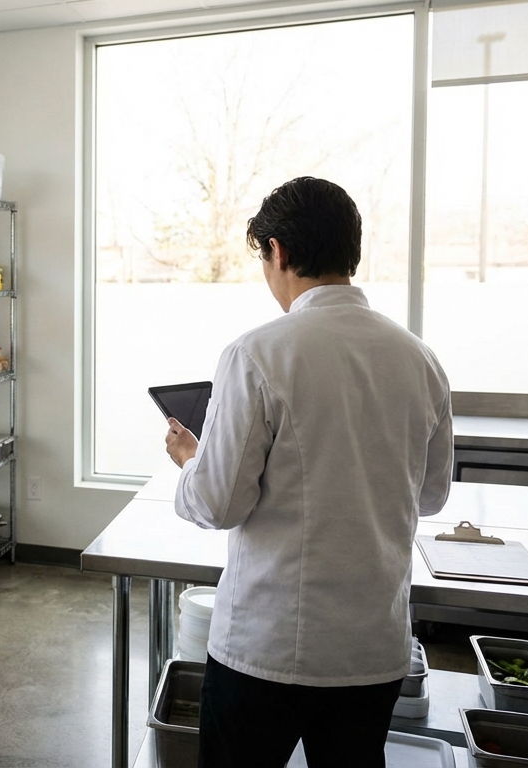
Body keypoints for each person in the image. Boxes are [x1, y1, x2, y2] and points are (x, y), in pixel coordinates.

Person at [163, 177, 453, 768]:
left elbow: (219, 505)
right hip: (371, 649)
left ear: (279, 252)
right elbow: (431, 496)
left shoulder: (258, 353)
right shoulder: (420, 359)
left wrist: (193, 461)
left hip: (267, 647)